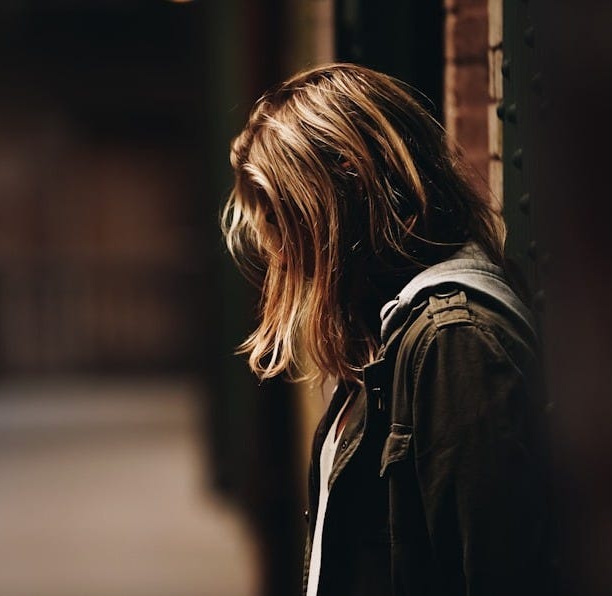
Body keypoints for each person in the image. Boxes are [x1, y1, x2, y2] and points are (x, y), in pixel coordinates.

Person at [220, 63, 558, 596]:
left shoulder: (453, 341)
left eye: (284, 221)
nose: (277, 251)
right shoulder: (388, 338)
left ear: (335, 209)